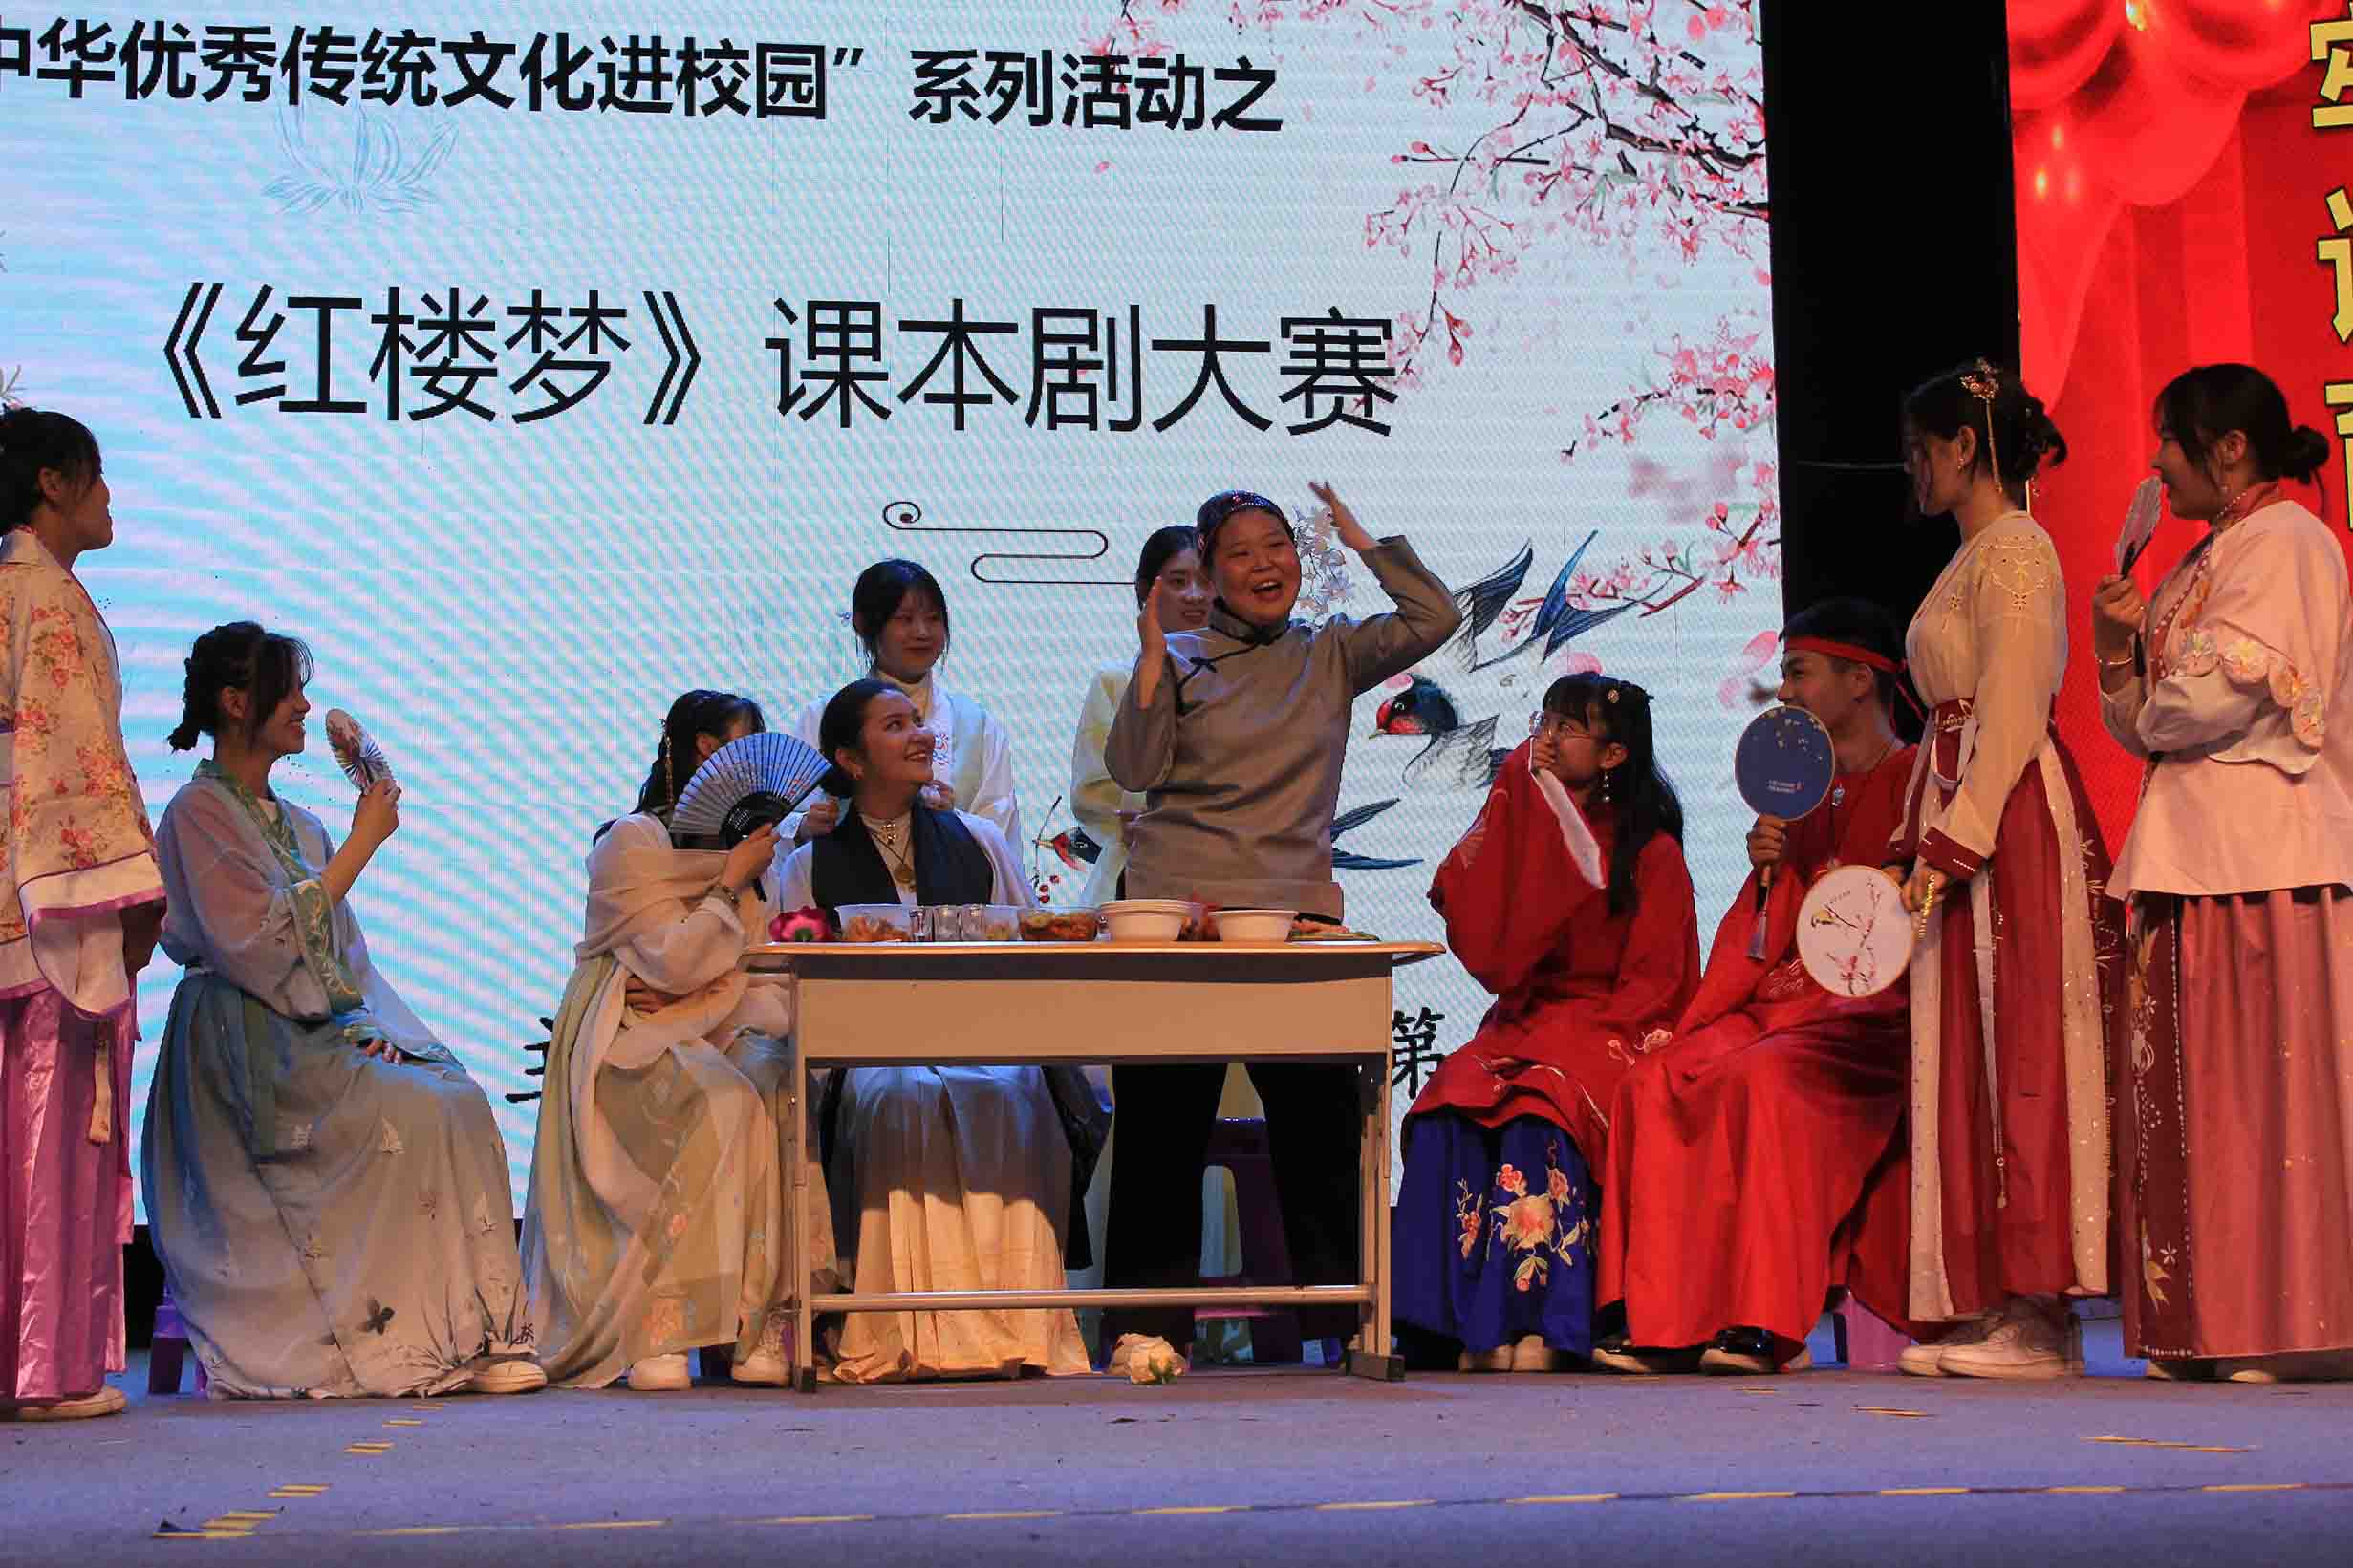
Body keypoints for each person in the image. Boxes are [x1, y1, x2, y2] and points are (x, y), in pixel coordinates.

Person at [1100, 483, 1461, 1363]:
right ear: (1207, 573)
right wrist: (1150, 662)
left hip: (1290, 917)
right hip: (1180, 919)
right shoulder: (1178, 656)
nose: (1265, 565)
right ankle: (1148, 1333)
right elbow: (1134, 769)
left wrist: (1366, 541)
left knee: (1322, 1126)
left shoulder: (1328, 652)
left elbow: (1436, 617)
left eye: (1279, 547)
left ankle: (1344, 1328)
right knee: (1160, 1132)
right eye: (1240, 552)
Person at [140, 623, 543, 1398]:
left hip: (314, 1036)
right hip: (243, 1046)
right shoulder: (197, 812)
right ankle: (407, 1334)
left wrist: (367, 1026)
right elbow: (256, 945)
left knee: (455, 1100)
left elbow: (341, 956)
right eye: (287, 690)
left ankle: (475, 1330)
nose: (302, 705)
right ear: (236, 702)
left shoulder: (301, 824)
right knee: (411, 1115)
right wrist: (363, 843)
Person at [2091, 364, 2353, 1383]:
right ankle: (2204, 1322)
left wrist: (2153, 691)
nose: (2157, 461)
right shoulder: (2205, 558)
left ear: (2228, 447)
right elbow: (2144, 721)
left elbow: (2205, 704)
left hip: (2263, 859)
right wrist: (2116, 652)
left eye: (2170, 438)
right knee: (2198, 1101)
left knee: (2265, 1103)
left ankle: (2288, 1327)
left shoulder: (2287, 542)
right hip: (2194, 855)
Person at [1595, 599, 1920, 1376]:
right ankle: (1660, 1317)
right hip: (1783, 1001)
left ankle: (1769, 1320)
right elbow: (1762, 938)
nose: (1787, 692)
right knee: (1654, 1079)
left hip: (1868, 1014)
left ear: (1859, 681)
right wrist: (1771, 872)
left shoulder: (1916, 777)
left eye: (1799, 673)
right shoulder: (1800, 790)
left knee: (1765, 1079)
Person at [1889, 358, 2121, 1379]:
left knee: (2024, 1042)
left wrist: (1960, 835)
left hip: (2008, 812)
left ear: (1964, 446)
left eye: (1923, 448)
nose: (1914, 467)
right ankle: (1990, 1297)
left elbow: (2015, 705)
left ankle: (2041, 1311)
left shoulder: (2018, 549)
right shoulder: (1970, 557)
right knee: (1972, 1048)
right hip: (1965, 807)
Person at [772, 678, 1097, 1383]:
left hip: (983, 1038)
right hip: (866, 1054)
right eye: (895, 726)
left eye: (918, 721)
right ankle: (903, 1330)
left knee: (1013, 1092)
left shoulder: (979, 841)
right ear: (851, 759)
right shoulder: (808, 865)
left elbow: (1025, 941)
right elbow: (797, 977)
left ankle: (1018, 1326)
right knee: (902, 1095)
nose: (920, 735)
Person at [522, 693, 841, 1391]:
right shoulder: (633, 842)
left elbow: (752, 974)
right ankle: (663, 1325)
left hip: (718, 1018)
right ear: (706, 752)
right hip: (629, 1030)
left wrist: (704, 987)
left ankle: (759, 1325)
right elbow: (671, 964)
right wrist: (727, 886)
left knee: (778, 1081)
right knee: (720, 1100)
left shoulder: (753, 854)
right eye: (741, 748)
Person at [1393, 673, 1698, 1372]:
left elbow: (1656, 986)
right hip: (1528, 1019)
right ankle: (1438, 1323)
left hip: (1610, 1026)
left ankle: (1538, 1318)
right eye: (1546, 722)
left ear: (1614, 755)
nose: (1548, 739)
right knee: (1446, 1104)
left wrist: (1575, 1039)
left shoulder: (1651, 853)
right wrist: (1518, 799)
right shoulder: (1529, 821)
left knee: (1541, 1107)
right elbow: (1486, 934)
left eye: (1568, 727)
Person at [0, 409, 165, 1422]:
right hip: (48, 901)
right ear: (53, 484)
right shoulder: (47, 598)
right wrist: (131, 887)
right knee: (48, 1131)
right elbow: (72, 763)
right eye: (95, 478)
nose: (108, 499)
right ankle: (44, 1370)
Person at [784, 560, 1022, 856]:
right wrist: (806, 826)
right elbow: (784, 823)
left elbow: (1001, 837)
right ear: (863, 624)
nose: (922, 632)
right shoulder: (822, 717)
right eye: (904, 619)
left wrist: (952, 822)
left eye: (933, 619)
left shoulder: (977, 726)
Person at [1069, 526, 1214, 907]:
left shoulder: (1243, 684)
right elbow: (1090, 791)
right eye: (1178, 582)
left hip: (1228, 873)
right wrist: (1133, 818)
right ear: (1145, 590)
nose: (1195, 595)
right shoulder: (1116, 682)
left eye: (1206, 581)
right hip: (1136, 874)